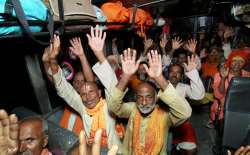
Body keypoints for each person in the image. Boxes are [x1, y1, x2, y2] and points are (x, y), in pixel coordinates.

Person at [48, 26, 121, 151]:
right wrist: (52, 59)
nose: (87, 98)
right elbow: (63, 88)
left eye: (91, 92)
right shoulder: (83, 108)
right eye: (83, 94)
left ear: (99, 93)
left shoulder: (108, 106)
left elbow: (112, 86)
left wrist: (99, 53)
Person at [107, 48, 192, 154]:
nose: (144, 102)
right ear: (135, 98)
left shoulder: (164, 114)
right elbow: (113, 106)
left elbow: (185, 113)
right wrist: (125, 77)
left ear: (156, 98)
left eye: (149, 97)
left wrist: (159, 78)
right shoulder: (133, 109)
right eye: (140, 97)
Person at [168, 55, 205, 155]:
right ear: (168, 73)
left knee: (191, 150)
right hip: (163, 123)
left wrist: (192, 73)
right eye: (172, 72)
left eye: (178, 73)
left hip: (181, 123)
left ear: (182, 76)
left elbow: (198, 96)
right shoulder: (161, 85)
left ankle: (177, 147)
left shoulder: (184, 87)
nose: (174, 75)